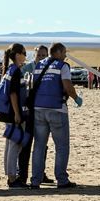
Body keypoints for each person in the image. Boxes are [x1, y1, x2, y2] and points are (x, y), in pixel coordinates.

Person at [30, 42, 82, 189]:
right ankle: (62, 179)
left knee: (39, 146)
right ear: (58, 52)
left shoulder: (39, 65)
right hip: (57, 109)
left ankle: (35, 180)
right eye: (64, 52)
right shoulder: (62, 66)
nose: (66, 55)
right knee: (62, 146)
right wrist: (76, 98)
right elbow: (67, 86)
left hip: (39, 109)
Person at [0, 43, 28, 188]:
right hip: (13, 113)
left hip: (7, 113)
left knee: (10, 144)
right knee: (15, 145)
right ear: (18, 54)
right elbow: (13, 93)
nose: (25, 56)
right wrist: (18, 114)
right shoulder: (15, 71)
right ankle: (12, 178)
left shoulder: (9, 70)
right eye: (24, 53)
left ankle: (10, 175)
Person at [18, 45, 53, 186]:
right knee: (26, 145)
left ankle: (40, 173)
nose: (42, 58)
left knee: (42, 145)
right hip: (29, 111)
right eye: (39, 55)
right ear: (35, 55)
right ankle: (22, 176)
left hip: (42, 111)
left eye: (44, 55)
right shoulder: (27, 68)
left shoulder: (50, 69)